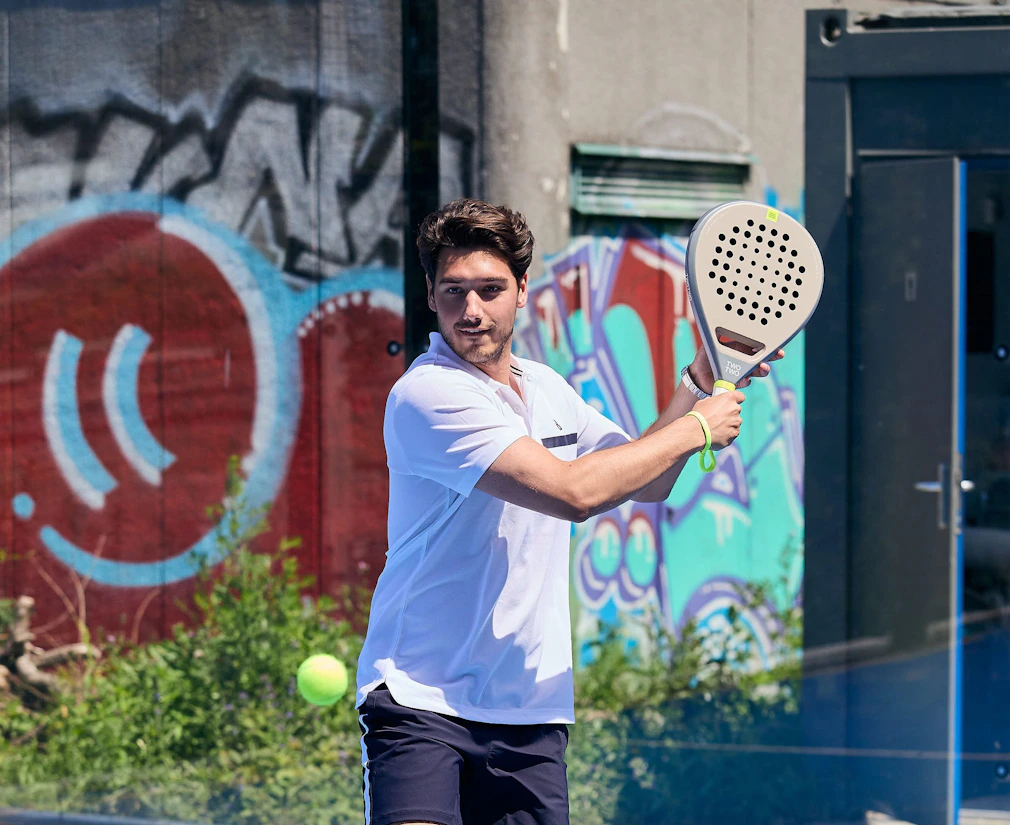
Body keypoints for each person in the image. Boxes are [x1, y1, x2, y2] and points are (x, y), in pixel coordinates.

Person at [355, 198, 783, 825]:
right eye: (453, 291)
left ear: (522, 290)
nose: (471, 310)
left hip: (529, 707)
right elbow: (572, 493)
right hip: (419, 700)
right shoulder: (428, 393)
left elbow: (646, 480)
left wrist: (697, 380)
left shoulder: (548, 389)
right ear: (430, 295)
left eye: (490, 289)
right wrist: (697, 426)